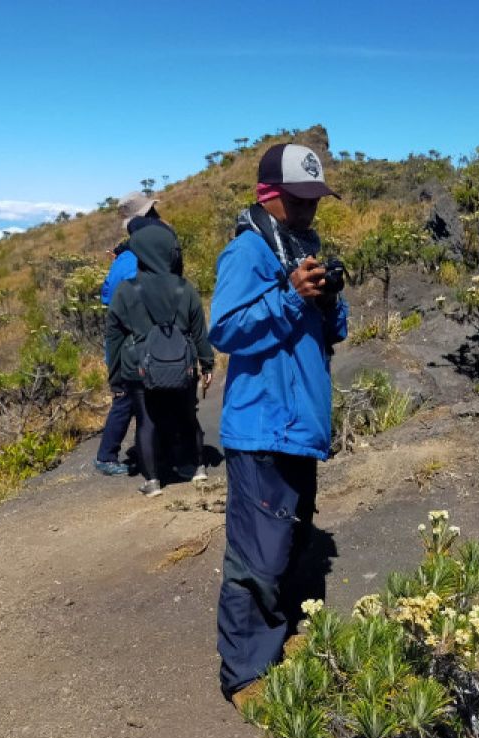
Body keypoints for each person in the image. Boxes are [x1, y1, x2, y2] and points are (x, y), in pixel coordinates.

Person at [208, 143, 348, 703]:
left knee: (288, 544)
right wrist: (291, 297)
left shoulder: (302, 249)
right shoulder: (247, 252)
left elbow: (328, 335)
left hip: (297, 427)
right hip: (262, 428)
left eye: (315, 198)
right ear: (269, 194)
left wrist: (327, 299)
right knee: (256, 558)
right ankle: (244, 674)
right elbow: (227, 329)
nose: (310, 209)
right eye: (299, 199)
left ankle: (277, 642)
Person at [105, 224, 214, 497]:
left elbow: (114, 336)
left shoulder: (125, 291)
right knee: (188, 417)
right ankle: (196, 467)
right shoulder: (185, 288)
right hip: (182, 365)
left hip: (139, 368)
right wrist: (207, 364)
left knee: (146, 421)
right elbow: (199, 330)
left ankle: (153, 481)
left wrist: (115, 376)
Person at [95, 192, 169, 476]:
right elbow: (117, 301)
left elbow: (106, 295)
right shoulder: (133, 258)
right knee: (127, 398)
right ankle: (106, 456)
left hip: (133, 340)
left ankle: (140, 451)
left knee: (137, 398)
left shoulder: (126, 256)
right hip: (131, 342)